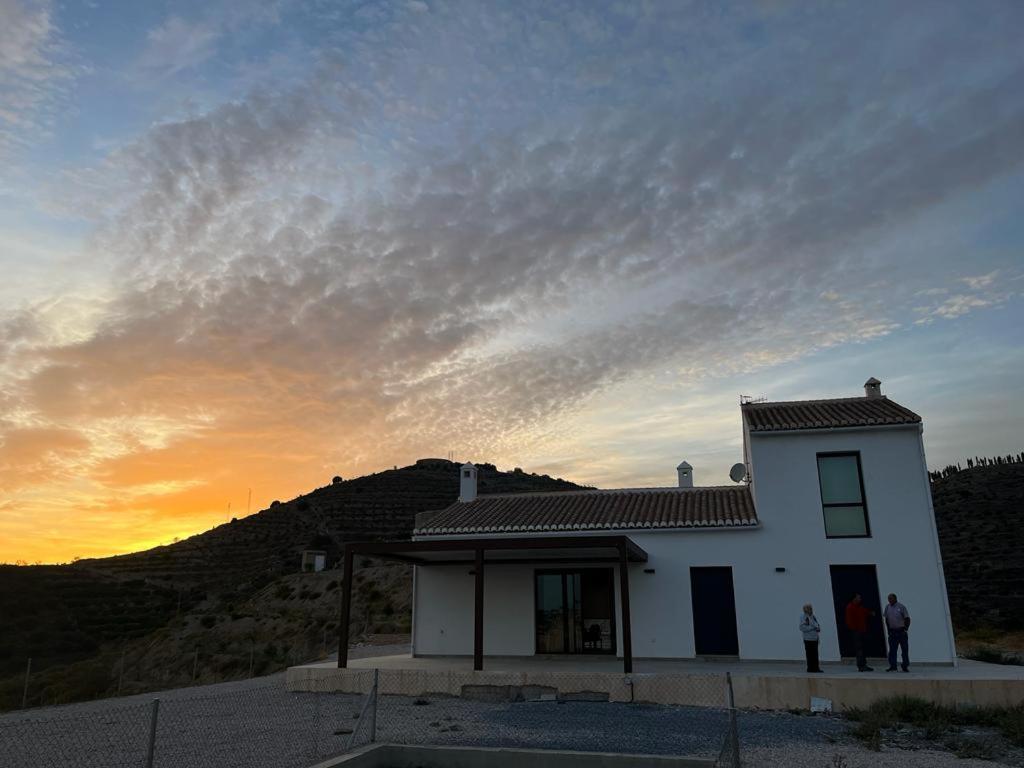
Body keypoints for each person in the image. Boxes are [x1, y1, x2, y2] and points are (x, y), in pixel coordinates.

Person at [845, 593, 874, 671]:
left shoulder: (859, 607)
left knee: (862, 649)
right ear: (854, 599)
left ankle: (864, 664)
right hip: (856, 631)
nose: (860, 599)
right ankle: (861, 666)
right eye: (859, 598)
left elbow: (865, 612)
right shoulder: (850, 607)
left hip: (862, 630)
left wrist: (870, 613)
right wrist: (855, 629)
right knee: (859, 649)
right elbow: (849, 621)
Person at [883, 593, 911, 672]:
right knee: (892, 650)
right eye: (888, 599)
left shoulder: (901, 607)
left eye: (891, 598)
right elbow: (887, 619)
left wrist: (906, 628)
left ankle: (905, 665)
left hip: (901, 631)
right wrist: (888, 630)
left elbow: (907, 618)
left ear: (895, 599)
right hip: (892, 632)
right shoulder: (887, 607)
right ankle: (893, 666)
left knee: (904, 649)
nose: (889, 600)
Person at [799, 604, 823, 673]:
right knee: (810, 655)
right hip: (808, 639)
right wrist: (812, 628)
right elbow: (802, 628)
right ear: (805, 610)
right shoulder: (803, 617)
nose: (811, 610)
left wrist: (818, 628)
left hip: (815, 638)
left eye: (811, 608)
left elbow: (816, 624)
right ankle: (810, 668)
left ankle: (816, 668)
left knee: (815, 654)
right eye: (809, 608)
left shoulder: (813, 616)